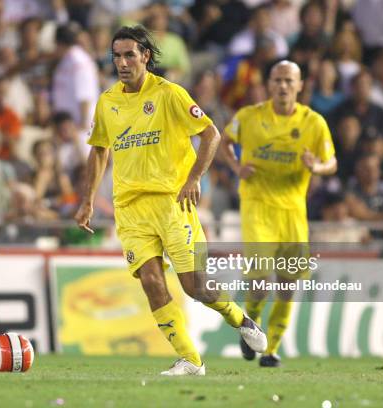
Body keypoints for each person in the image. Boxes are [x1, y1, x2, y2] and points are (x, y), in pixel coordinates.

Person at [74, 25, 266, 376]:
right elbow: (99, 150)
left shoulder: (170, 94)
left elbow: (211, 135)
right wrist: (87, 199)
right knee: (150, 280)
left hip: (172, 203)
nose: (122, 63)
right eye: (116, 56)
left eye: (129, 54)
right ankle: (191, 360)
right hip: (130, 208)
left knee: (195, 287)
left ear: (145, 56)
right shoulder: (108, 102)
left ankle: (240, 319)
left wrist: (194, 179)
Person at [220, 60, 337, 367]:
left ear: (300, 86)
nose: (282, 86)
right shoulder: (249, 117)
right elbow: (224, 141)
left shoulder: (314, 122)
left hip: (293, 211)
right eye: (277, 80)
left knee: (287, 284)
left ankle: (270, 348)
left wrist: (317, 167)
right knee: (259, 279)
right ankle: (251, 327)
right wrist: (236, 168)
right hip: (257, 206)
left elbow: (331, 162)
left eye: (289, 80)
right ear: (269, 85)